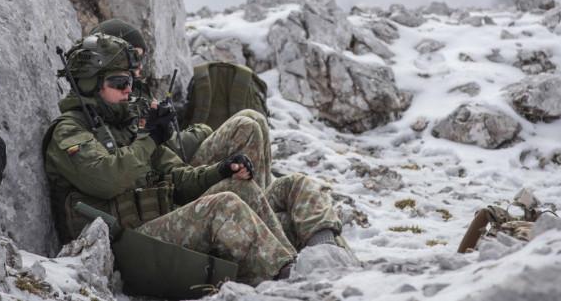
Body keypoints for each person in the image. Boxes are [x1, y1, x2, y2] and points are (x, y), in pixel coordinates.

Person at [43, 33, 344, 285]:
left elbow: (179, 178)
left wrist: (222, 170)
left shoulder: (126, 127)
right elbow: (107, 179)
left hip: (156, 230)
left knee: (255, 186)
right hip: (121, 248)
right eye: (120, 83)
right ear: (89, 84)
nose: (129, 90)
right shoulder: (68, 132)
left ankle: (310, 262)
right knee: (223, 205)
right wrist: (149, 138)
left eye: (130, 83)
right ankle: (290, 276)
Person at [88, 19, 273, 188]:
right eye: (134, 58)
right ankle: (256, 200)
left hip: (172, 165)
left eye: (142, 59)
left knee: (254, 117)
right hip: (169, 174)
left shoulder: (136, 90)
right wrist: (202, 131)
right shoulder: (113, 97)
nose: (140, 66)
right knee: (246, 125)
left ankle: (260, 195)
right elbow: (164, 147)